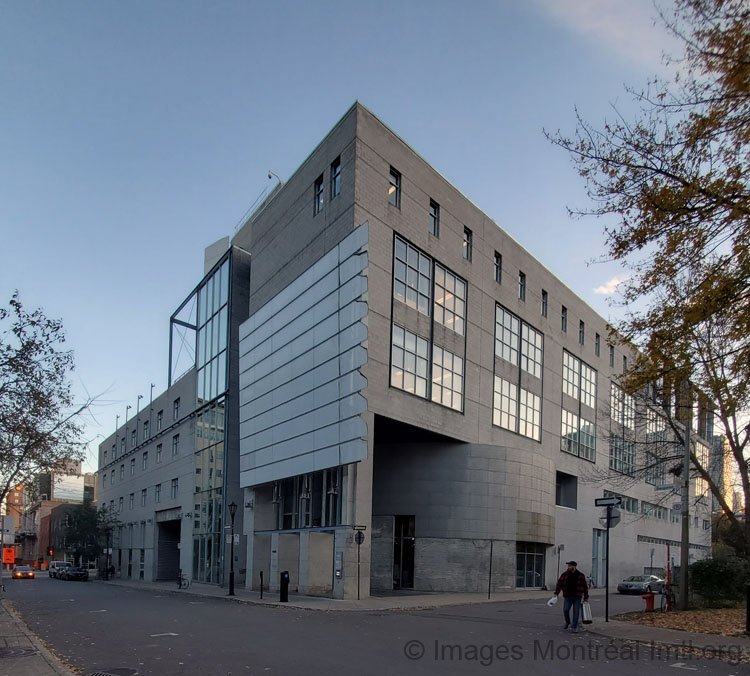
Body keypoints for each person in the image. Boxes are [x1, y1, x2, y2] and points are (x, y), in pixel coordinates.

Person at [554, 560, 589, 632]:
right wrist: (556, 593)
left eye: (570, 566)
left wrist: (586, 597)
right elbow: (559, 583)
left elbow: (585, 587)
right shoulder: (565, 574)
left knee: (576, 612)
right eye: (568, 566)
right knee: (565, 610)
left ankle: (574, 627)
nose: (568, 567)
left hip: (577, 596)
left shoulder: (580, 575)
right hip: (568, 596)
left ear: (574, 566)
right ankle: (567, 621)